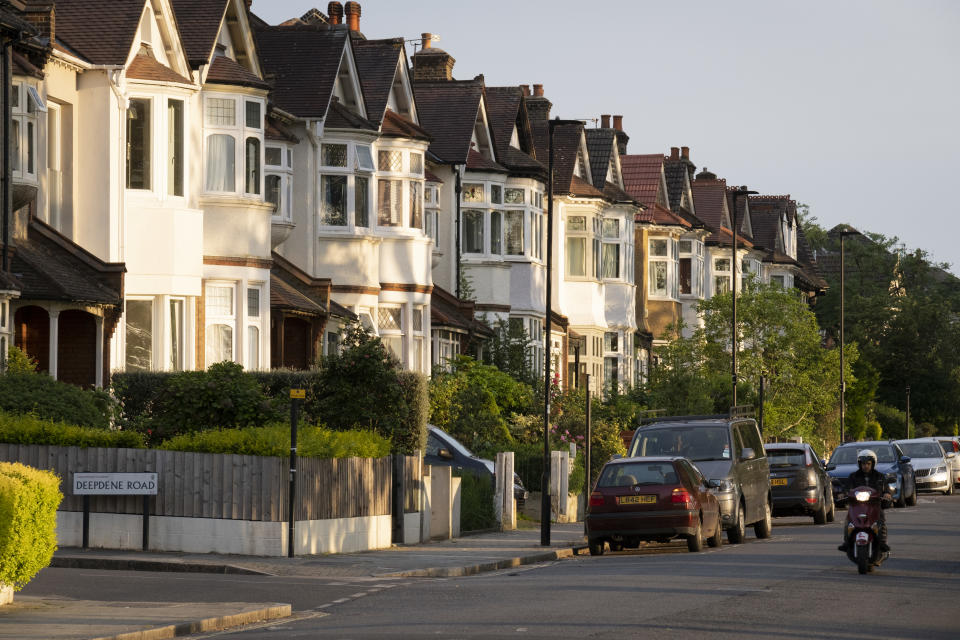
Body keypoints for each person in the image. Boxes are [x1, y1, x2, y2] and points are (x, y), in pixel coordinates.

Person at [838, 449, 892, 553]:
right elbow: (847, 488)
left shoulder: (879, 476)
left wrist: (887, 493)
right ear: (859, 464)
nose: (865, 466)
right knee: (849, 520)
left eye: (868, 463)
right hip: (857, 505)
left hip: (874, 505)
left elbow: (886, 488)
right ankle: (847, 542)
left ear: (873, 464)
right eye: (863, 463)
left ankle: (882, 542)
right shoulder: (853, 476)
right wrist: (843, 494)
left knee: (881, 519)